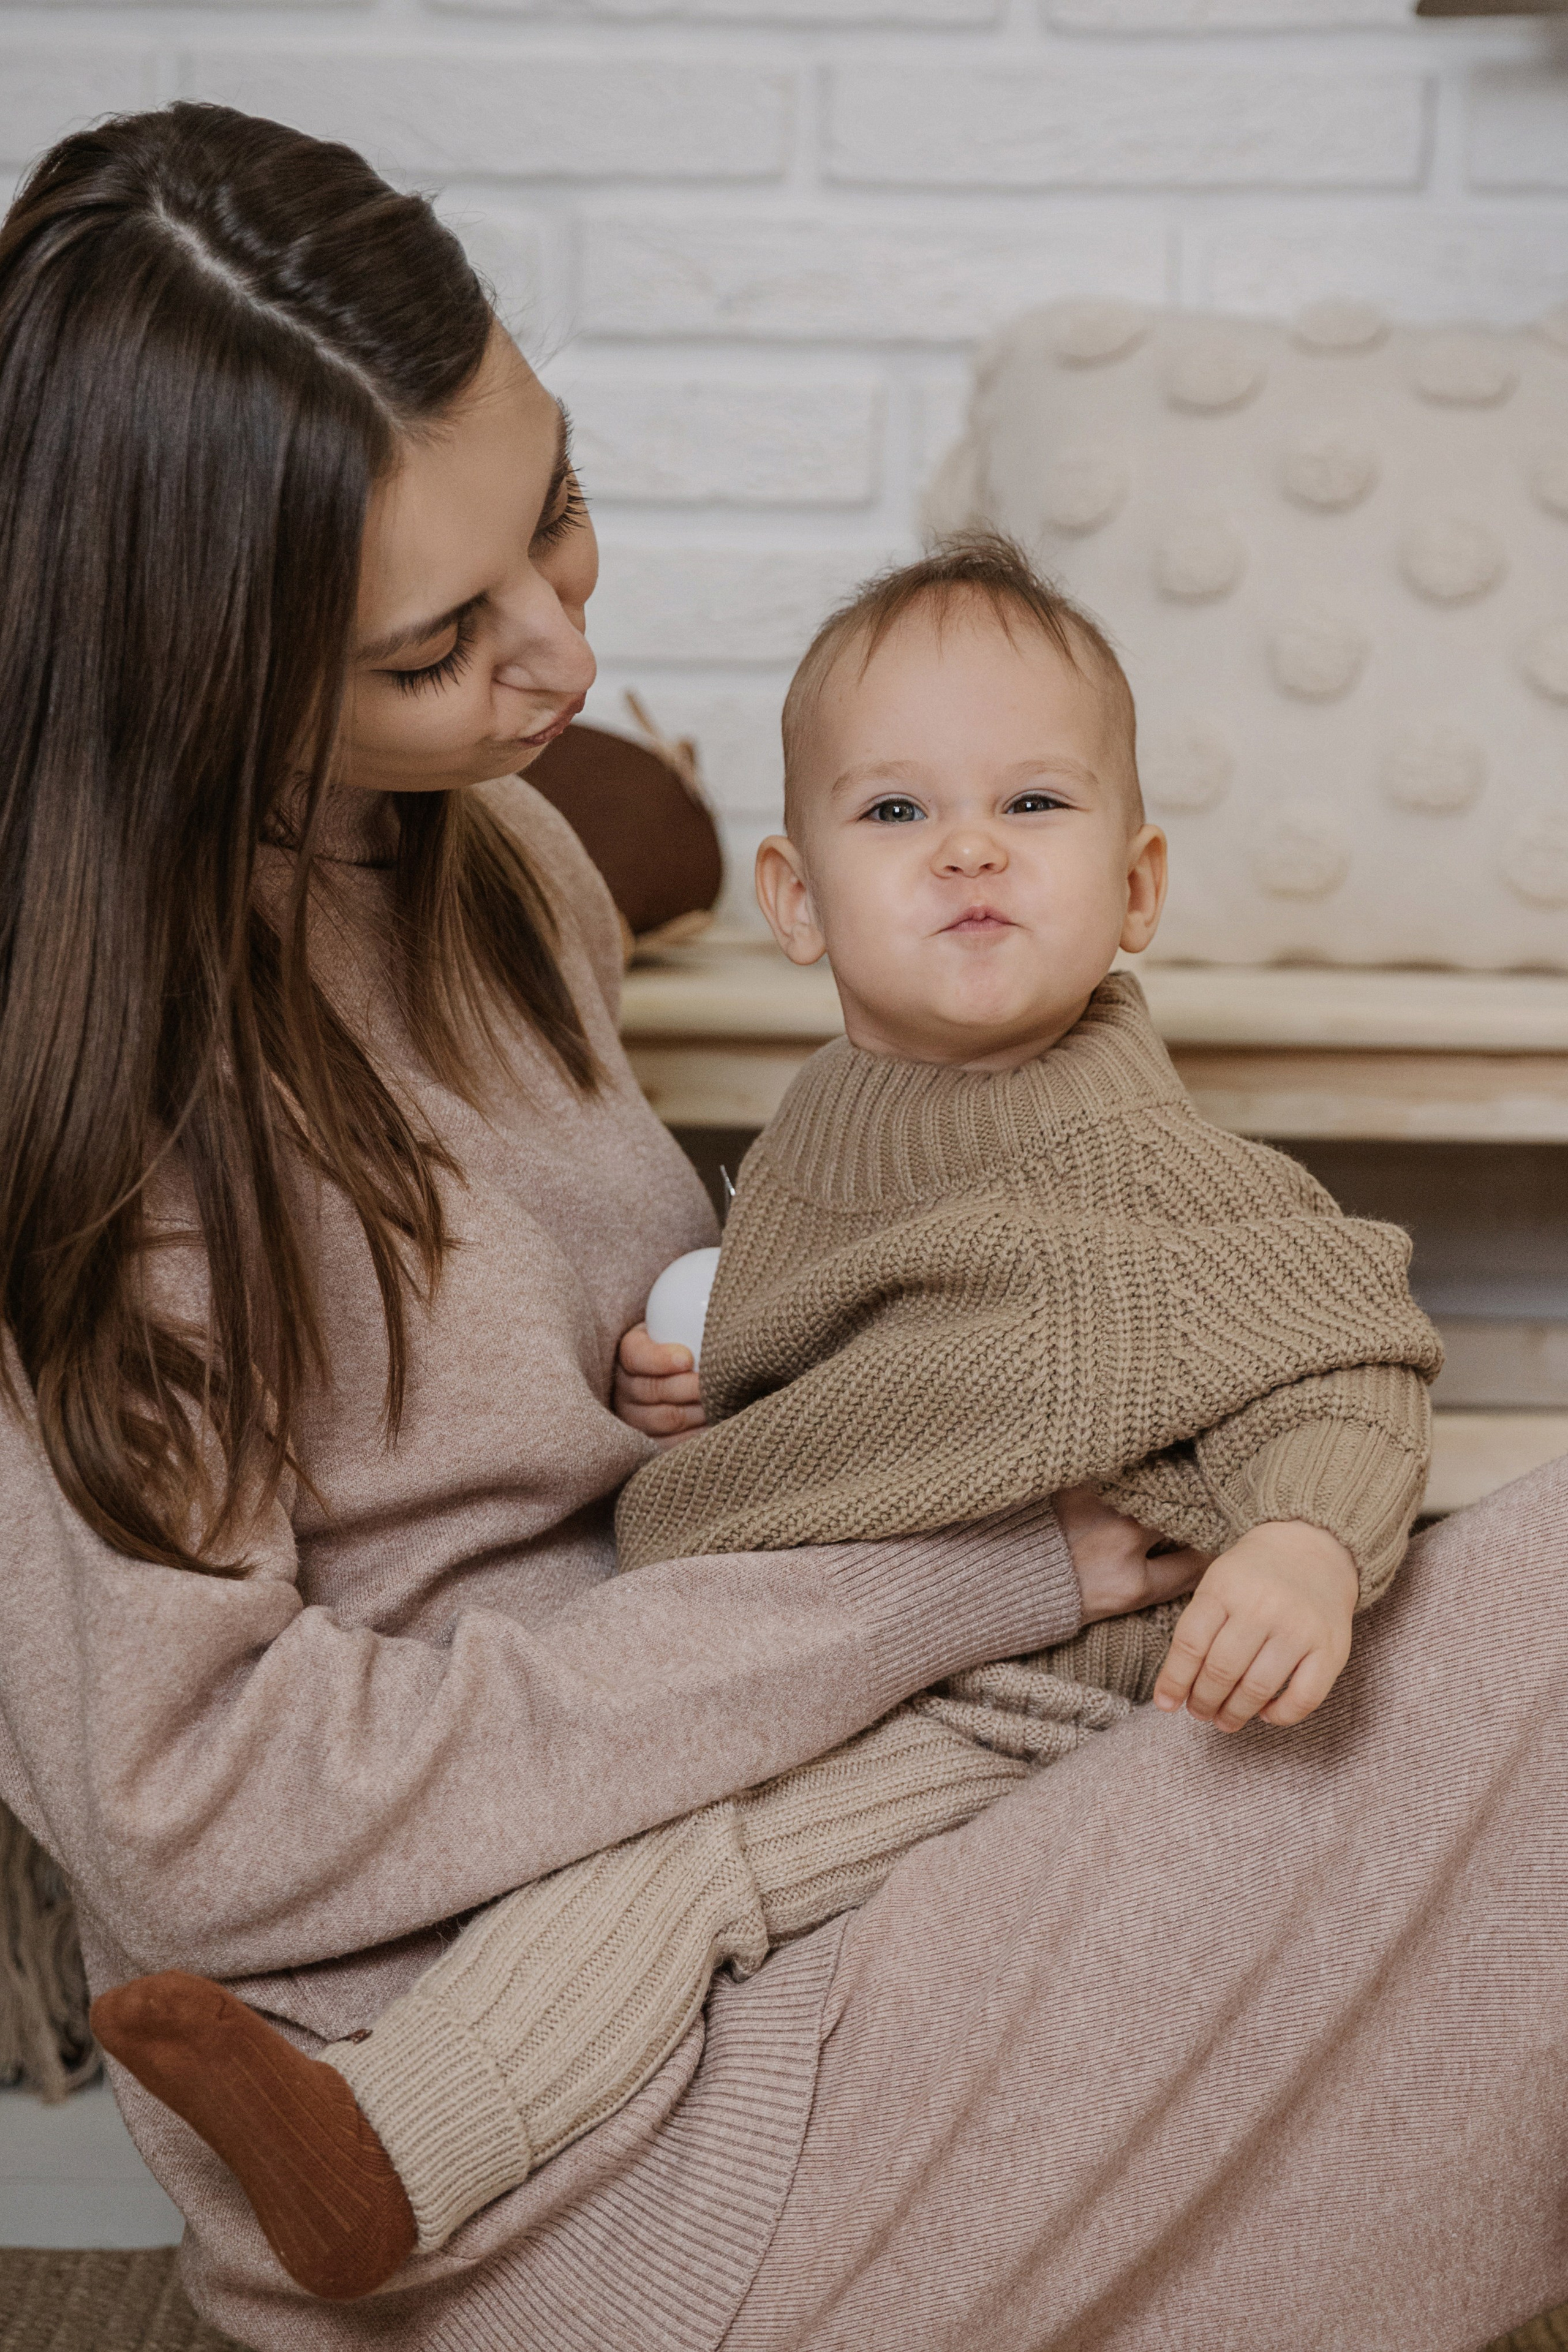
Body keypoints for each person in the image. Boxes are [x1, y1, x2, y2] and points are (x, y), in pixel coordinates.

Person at [1, 101, 1564, 2352]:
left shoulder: (487, 852)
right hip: (549, 2133)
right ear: (203, 673)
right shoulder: (105, 1118)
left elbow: (613, 841)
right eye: (439, 647)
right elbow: (196, 1820)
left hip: (831, 1848)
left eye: (556, 511)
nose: (554, 657)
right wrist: (968, 1579)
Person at [91, 533, 1441, 2296]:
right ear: (797, 903)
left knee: (692, 1871)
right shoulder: (828, 1129)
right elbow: (876, 1375)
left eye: (1034, 803)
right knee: (648, 1856)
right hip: (867, 1657)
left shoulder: (1144, 1164)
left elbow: (1340, 1353)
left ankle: (388, 2157)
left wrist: (1302, 1543)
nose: (970, 848)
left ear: (1136, 887)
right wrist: (710, 1386)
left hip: (1037, 1696)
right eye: (898, 812)